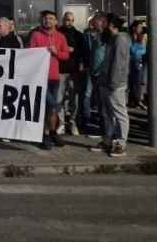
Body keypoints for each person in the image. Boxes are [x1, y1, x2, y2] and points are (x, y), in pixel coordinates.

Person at [29, 10, 71, 150]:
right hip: (41, 78)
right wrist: (43, 51)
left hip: (55, 78)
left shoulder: (61, 36)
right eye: (46, 19)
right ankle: (45, 135)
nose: (48, 21)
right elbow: (30, 53)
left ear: (56, 21)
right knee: (50, 105)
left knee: (51, 109)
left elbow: (65, 55)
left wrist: (56, 52)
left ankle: (52, 133)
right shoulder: (36, 35)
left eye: (51, 18)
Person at [91, 15, 130, 157]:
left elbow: (119, 63)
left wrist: (113, 82)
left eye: (104, 22)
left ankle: (120, 143)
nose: (101, 24)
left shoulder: (120, 39)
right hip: (106, 81)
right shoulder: (112, 38)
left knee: (119, 113)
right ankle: (108, 140)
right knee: (108, 114)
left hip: (114, 83)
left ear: (111, 24)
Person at [57, 12, 86, 136]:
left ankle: (72, 122)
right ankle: (61, 123)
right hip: (60, 70)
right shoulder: (57, 34)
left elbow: (83, 51)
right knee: (59, 98)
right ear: (63, 20)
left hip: (73, 71)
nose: (69, 22)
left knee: (74, 99)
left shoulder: (78, 35)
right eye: (67, 20)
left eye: (71, 20)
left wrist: (74, 50)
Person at [128, 21, 147, 110]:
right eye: (139, 27)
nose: (141, 29)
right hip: (131, 62)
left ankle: (138, 100)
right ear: (134, 28)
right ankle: (133, 100)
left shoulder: (143, 37)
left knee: (138, 82)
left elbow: (142, 50)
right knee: (132, 82)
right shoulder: (130, 38)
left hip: (139, 61)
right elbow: (131, 50)